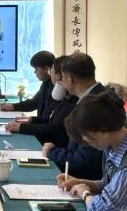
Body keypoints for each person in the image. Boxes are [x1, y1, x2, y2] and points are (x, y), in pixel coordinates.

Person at [41, 52, 105, 180]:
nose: (61, 83)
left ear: (70, 79)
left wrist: (52, 152)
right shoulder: (95, 96)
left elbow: (85, 160)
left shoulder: (94, 106)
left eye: (63, 78)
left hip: (83, 179)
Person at [6, 55, 77, 148]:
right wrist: (30, 119)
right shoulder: (48, 86)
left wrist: (21, 127)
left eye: (36, 69)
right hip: (48, 141)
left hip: (53, 145)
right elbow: (47, 118)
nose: (34, 72)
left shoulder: (63, 95)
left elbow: (52, 127)